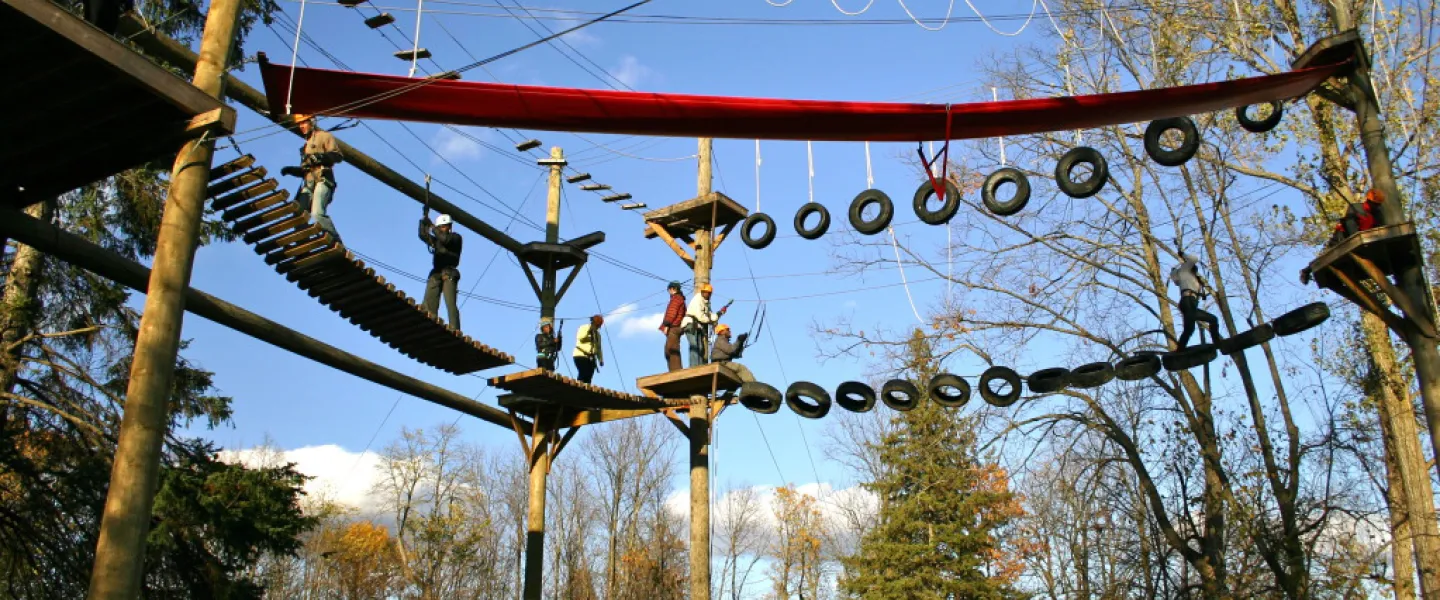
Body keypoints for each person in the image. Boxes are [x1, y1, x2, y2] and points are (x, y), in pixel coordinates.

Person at [279, 114, 344, 243]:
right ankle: (302, 243)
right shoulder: (305, 147)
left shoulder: (324, 136)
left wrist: (321, 157)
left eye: (304, 123)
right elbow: (305, 170)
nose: (301, 126)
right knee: (298, 214)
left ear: (312, 122)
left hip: (322, 179)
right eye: (299, 124)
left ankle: (335, 241)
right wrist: (291, 170)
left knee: (317, 213)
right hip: (309, 182)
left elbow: (338, 156)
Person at [1302, 188, 1386, 284]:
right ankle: (1307, 271)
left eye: (1378, 205)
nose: (1376, 206)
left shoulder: (1377, 214)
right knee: (1326, 256)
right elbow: (1351, 228)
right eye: (1374, 204)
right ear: (1368, 201)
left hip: (1363, 239)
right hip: (1342, 236)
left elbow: (1380, 230)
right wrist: (1358, 239)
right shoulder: (1356, 208)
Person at [419, 213, 463, 330]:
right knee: (430, 298)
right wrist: (423, 222)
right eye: (441, 227)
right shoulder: (437, 241)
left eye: (444, 227)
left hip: (449, 273)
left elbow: (445, 240)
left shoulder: (455, 238)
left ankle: (455, 329)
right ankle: (428, 320)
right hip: (437, 272)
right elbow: (423, 235)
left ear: (449, 227)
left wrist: (433, 227)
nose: (442, 229)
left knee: (450, 303)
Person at [1171, 252, 1220, 349]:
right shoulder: (1184, 270)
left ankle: (1180, 350)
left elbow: (1177, 280)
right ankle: (1217, 343)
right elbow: (1193, 259)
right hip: (1188, 301)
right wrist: (1183, 254)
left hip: (1189, 303)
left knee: (1189, 330)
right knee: (1213, 319)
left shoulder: (1190, 278)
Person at [681, 282, 727, 368]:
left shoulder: (705, 302)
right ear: (702, 292)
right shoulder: (697, 300)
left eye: (709, 293)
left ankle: (699, 366)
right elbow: (701, 317)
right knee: (694, 346)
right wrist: (710, 320)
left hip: (697, 326)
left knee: (701, 347)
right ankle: (694, 367)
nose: (707, 294)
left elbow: (710, 316)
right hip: (690, 324)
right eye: (706, 292)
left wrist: (720, 313)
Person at [660, 281, 687, 372]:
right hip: (676, 327)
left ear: (673, 289)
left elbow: (672, 312)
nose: (669, 292)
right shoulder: (680, 299)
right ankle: (673, 370)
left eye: (669, 290)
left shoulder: (676, 299)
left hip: (673, 327)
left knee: (672, 349)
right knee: (669, 350)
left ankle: (676, 371)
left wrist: (666, 325)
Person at [573, 314, 605, 384]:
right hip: (580, 355)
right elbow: (580, 338)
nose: (598, 327)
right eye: (597, 325)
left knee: (589, 376)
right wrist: (589, 331)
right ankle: (578, 389)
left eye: (599, 325)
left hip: (591, 358)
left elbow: (599, 348)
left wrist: (601, 359)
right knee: (583, 373)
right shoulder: (584, 327)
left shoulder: (598, 335)